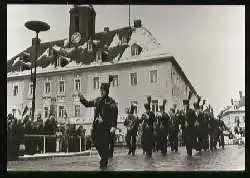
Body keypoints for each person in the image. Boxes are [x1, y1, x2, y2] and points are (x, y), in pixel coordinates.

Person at [78, 76, 118, 170]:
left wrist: (113, 126)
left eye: (103, 90)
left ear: (107, 91)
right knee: (96, 142)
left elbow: (115, 114)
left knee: (104, 146)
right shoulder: (98, 100)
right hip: (96, 128)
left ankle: (103, 163)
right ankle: (104, 157)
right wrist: (82, 98)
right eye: (101, 90)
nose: (101, 92)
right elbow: (88, 104)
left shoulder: (111, 102)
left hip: (106, 128)